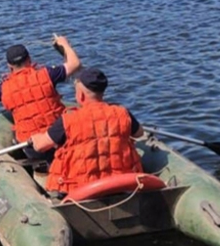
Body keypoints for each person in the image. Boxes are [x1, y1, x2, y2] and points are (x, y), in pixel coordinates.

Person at [31, 67, 144, 195]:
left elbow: (41, 146)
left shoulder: (68, 119)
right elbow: (139, 133)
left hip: (80, 190)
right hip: (119, 184)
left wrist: (35, 138)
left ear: (81, 95)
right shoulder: (122, 113)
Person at [0, 36, 81, 159]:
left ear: (10, 66)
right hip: (59, 139)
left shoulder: (3, 89)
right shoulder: (48, 74)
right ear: (29, 59)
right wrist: (64, 44)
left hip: (33, 149)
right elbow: (74, 63)